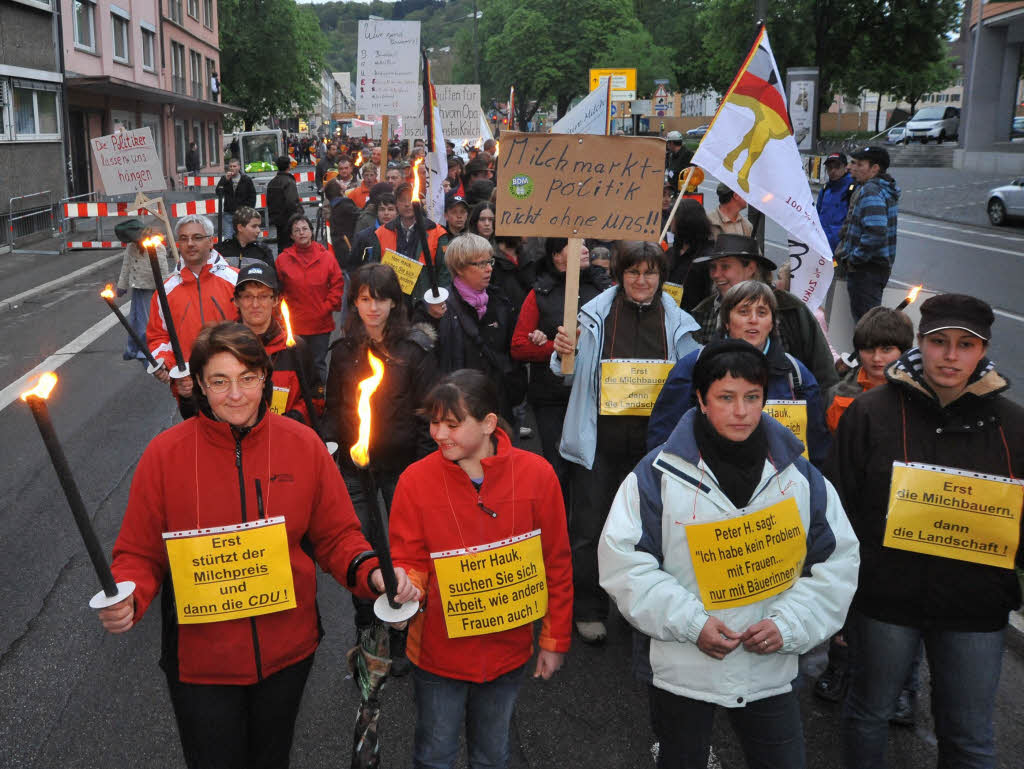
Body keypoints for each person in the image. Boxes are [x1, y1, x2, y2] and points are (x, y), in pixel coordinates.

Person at [96, 321, 417, 769]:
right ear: (200, 387)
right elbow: (138, 553)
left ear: (265, 378)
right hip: (201, 661)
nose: (235, 395)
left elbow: (338, 536)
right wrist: (128, 594)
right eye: (219, 381)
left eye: (247, 378)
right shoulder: (164, 455)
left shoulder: (301, 445)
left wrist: (372, 573)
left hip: (287, 652)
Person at [599, 339, 860, 769]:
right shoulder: (655, 476)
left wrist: (789, 624)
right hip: (684, 670)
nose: (741, 411)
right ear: (701, 400)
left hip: (769, 670)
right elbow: (625, 564)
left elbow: (837, 563)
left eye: (753, 397)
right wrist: (692, 623)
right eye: (726, 397)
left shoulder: (800, 477)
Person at [830, 294, 1023, 769]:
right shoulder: (871, 412)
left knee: (970, 736)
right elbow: (840, 504)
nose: (950, 356)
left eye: (965, 345)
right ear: (920, 343)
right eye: (939, 342)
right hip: (886, 601)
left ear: (983, 350)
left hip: (975, 607)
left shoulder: (1013, 425)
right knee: (869, 714)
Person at [388, 369, 573, 769]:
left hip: (507, 653)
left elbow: (556, 562)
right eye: (434, 422)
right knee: (435, 756)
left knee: (492, 756)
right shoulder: (414, 482)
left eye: (452, 424)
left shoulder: (537, 475)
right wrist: (407, 585)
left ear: (489, 423)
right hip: (438, 655)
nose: (439, 434)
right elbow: (409, 560)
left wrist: (554, 640)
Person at [551, 241, 700, 643]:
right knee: (590, 527)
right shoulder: (593, 314)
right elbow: (564, 366)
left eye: (650, 272)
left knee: (651, 531)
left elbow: (693, 378)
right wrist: (563, 349)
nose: (642, 280)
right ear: (620, 275)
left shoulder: (680, 323)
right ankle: (589, 606)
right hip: (598, 441)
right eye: (633, 272)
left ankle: (643, 611)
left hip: (655, 448)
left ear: (661, 277)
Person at [322, 263, 438, 669]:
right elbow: (334, 409)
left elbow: (427, 414)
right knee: (364, 552)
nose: (373, 308)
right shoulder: (343, 352)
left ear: (395, 303)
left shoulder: (414, 350)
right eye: (365, 299)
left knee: (402, 551)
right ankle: (369, 634)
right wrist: (334, 452)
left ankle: (404, 629)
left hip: (402, 468)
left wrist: (423, 469)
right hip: (356, 471)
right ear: (355, 302)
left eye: (381, 299)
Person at [813, 305, 914, 711]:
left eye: (888, 349)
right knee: (848, 596)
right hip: (851, 510)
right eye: (869, 349)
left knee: (904, 607)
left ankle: (905, 686)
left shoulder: (916, 399)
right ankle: (840, 667)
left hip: (903, 516)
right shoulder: (839, 394)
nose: (877, 358)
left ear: (904, 351)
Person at [648, 280, 829, 468]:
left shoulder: (796, 374)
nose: (753, 319)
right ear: (726, 321)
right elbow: (664, 436)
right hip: (705, 483)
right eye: (744, 312)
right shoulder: (693, 366)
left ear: (772, 323)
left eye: (762, 312)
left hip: (780, 487)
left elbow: (817, 445)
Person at [511, 238, 612, 501]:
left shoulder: (606, 291)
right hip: (552, 400)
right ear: (557, 255)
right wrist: (557, 350)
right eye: (576, 244)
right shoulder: (539, 294)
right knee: (557, 471)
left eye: (586, 243)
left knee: (592, 472)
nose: (586, 249)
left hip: (595, 397)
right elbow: (519, 346)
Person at [689, 234, 839, 398]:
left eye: (725, 266)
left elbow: (823, 372)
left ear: (751, 268)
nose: (716, 274)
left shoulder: (791, 309)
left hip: (782, 412)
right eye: (713, 267)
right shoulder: (703, 313)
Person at [428, 234, 524, 423]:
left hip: (498, 408)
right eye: (480, 264)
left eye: (490, 262)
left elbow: (513, 351)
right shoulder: (438, 308)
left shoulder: (501, 302)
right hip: (457, 410)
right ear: (459, 268)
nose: (489, 269)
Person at [147, 214, 238, 405]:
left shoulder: (236, 280)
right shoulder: (165, 291)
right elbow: (159, 337)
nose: (190, 243)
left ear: (211, 242)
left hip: (234, 382)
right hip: (189, 386)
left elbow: (255, 327)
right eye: (184, 238)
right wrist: (165, 362)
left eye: (197, 237)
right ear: (178, 244)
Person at [232, 264, 321, 426]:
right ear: (237, 301)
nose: (255, 304)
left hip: (286, 439)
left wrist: (295, 418)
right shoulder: (224, 348)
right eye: (247, 296)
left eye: (263, 296)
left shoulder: (295, 347)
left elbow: (316, 397)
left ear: (275, 300)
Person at [274, 213, 343, 386]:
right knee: (296, 364)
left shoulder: (327, 257)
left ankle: (319, 400)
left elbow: (337, 284)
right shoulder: (282, 260)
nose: (301, 233)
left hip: (321, 324)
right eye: (296, 230)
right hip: (294, 324)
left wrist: (327, 306)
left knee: (318, 363)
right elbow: (277, 290)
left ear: (311, 232)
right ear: (291, 235)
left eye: (305, 229)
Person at [834, 146, 900, 322]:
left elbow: (876, 232)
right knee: (869, 320)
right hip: (874, 268)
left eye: (859, 164)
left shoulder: (871, 191)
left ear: (875, 168)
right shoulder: (881, 188)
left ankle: (868, 350)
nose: (851, 167)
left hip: (866, 270)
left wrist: (855, 259)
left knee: (866, 324)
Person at [373, 182, 449, 303]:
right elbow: (374, 270)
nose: (408, 204)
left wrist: (440, 301)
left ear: (419, 202)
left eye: (411, 199)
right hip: (392, 302)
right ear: (396, 204)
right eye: (402, 200)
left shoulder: (437, 232)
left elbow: (444, 273)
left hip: (424, 303)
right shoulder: (382, 233)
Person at [114, 218, 169, 363]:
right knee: (134, 320)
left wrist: (165, 290)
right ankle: (132, 349)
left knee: (145, 321)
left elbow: (163, 270)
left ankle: (145, 351)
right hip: (138, 287)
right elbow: (126, 266)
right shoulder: (131, 247)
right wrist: (122, 285)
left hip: (150, 288)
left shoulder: (156, 247)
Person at [665, 198, 715, 312]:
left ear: (685, 221)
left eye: (673, 216)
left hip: (693, 318)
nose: (670, 220)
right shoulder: (671, 252)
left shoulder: (707, 256)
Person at [815, 153, 854, 252]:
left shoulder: (852, 189)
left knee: (836, 267)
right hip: (823, 245)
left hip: (841, 248)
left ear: (845, 167)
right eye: (829, 168)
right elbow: (816, 215)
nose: (833, 171)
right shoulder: (825, 189)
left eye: (837, 167)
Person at [216, 205, 274, 269]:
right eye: (254, 226)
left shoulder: (264, 251)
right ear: (240, 227)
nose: (258, 230)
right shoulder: (220, 250)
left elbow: (271, 277)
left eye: (259, 226)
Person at [266, 156, 304, 253]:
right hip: (289, 219)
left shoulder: (272, 182)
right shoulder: (289, 181)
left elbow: (269, 201)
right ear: (289, 166)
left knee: (281, 245)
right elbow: (292, 202)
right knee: (291, 246)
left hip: (277, 219)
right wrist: (300, 214)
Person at [351, 191, 397, 266]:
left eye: (390, 209)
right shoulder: (363, 236)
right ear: (377, 212)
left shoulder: (402, 235)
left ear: (397, 212)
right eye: (382, 209)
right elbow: (353, 266)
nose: (386, 213)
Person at [215, 158, 257, 240]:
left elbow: (252, 196)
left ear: (239, 167)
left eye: (234, 166)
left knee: (241, 237)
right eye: (230, 166)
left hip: (242, 214)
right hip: (228, 213)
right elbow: (218, 192)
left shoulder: (246, 180)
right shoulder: (225, 179)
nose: (232, 168)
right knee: (228, 238)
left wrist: (249, 210)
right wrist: (225, 180)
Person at [324, 179, 360, 272]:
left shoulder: (334, 206)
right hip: (348, 246)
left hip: (340, 247)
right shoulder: (344, 204)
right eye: (339, 182)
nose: (341, 180)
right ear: (340, 190)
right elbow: (360, 216)